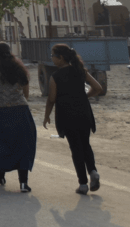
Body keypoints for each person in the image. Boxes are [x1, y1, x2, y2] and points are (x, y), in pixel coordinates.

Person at [43, 44, 103, 194]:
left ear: (60, 58)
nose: (52, 58)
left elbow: (51, 99)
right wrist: (84, 96)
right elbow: (98, 88)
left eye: (53, 56)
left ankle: (83, 184)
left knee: (76, 148)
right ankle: (93, 172)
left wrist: (46, 116)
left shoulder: (55, 76)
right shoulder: (80, 71)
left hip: (67, 114)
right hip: (84, 112)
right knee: (85, 144)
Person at [0, 42, 36, 193]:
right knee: (22, 145)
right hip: (20, 111)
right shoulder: (19, 68)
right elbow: (26, 89)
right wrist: (20, 102)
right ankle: (23, 183)